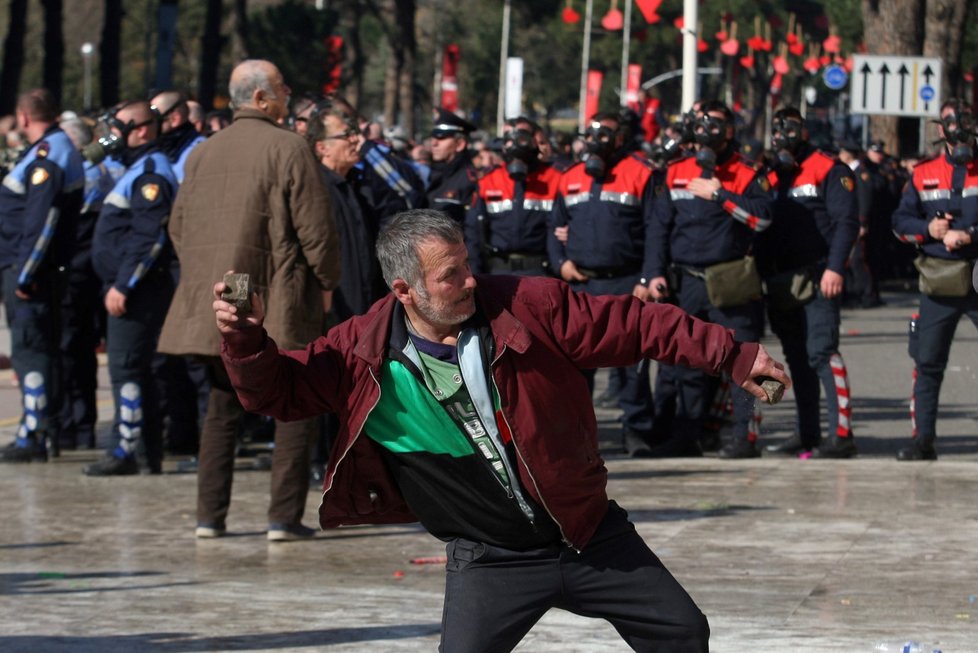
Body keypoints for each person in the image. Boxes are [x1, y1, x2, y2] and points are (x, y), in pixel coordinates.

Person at [213, 208, 790, 652]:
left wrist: (732, 357)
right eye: (449, 276)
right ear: (403, 291)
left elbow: (637, 325)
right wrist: (244, 340)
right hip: (490, 559)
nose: (468, 281)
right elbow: (279, 394)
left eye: (466, 264)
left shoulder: (527, 305)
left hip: (589, 534)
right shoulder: (360, 352)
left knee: (683, 632)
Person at [156, 59, 340, 540]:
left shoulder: (201, 153)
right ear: (261, 98)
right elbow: (316, 230)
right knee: (295, 403)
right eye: (282, 87)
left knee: (221, 406)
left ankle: (208, 518)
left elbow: (177, 226)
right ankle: (282, 517)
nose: (288, 92)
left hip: (218, 297)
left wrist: (204, 274)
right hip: (280, 292)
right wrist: (326, 283)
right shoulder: (290, 147)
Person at [647, 100, 773, 459]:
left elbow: (761, 220)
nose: (708, 130)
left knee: (743, 360)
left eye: (716, 124)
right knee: (686, 360)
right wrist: (654, 272)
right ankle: (688, 435)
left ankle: (744, 437)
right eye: (703, 123)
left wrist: (720, 195)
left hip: (731, 278)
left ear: (730, 131)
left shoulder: (748, 172)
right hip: (685, 280)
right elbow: (659, 227)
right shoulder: (675, 171)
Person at [548, 111, 658, 457]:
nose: (598, 140)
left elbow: (656, 230)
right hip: (581, 286)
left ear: (621, 138)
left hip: (627, 283)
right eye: (593, 132)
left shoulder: (641, 172)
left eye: (606, 133)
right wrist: (561, 263)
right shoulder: (570, 177)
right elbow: (555, 228)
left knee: (631, 365)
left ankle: (637, 432)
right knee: (578, 366)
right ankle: (581, 438)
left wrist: (646, 277)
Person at [755, 108, 860, 459]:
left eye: (791, 128)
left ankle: (841, 434)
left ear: (804, 131)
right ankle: (807, 432)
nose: (783, 134)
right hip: (781, 279)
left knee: (821, 353)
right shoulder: (769, 174)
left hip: (818, 275)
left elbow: (846, 222)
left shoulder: (829, 168)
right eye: (778, 128)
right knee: (797, 359)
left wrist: (836, 268)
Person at [82, 100, 178, 476]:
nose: (111, 136)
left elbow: (149, 235)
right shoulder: (136, 168)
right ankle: (144, 451)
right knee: (137, 369)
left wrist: (124, 284)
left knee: (125, 368)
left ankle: (125, 449)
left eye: (119, 128)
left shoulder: (151, 172)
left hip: (136, 292)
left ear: (140, 130)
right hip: (130, 288)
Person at [891, 99, 978, 461]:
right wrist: (928, 229)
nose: (956, 128)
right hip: (940, 280)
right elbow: (899, 222)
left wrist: (971, 234)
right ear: (939, 129)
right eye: (949, 122)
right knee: (927, 362)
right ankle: (923, 439)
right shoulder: (923, 172)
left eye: (964, 120)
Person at [0, 89, 83, 463]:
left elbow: (41, 221)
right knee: (41, 350)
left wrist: (25, 273)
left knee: (30, 351)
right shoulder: (54, 148)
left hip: (31, 272)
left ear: (23, 116)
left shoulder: (47, 156)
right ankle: (46, 428)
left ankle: (32, 434)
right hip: (39, 269)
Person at [58, 116, 112, 451]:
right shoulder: (106, 172)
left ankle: (72, 426)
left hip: (75, 276)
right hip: (96, 276)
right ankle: (83, 425)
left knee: (69, 352)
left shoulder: (83, 176)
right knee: (83, 354)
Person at [465, 116, 561, 276]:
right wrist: (474, 273)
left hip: (541, 271)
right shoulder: (488, 180)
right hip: (497, 271)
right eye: (508, 138)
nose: (514, 143)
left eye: (521, 137)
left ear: (534, 141)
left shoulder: (555, 177)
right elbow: (473, 233)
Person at [425, 107, 479, 224]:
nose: (434, 143)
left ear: (460, 144)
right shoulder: (435, 174)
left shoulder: (469, 180)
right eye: (433, 137)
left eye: (441, 138)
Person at [150, 90, 206, 183]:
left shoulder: (200, 152)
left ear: (175, 119)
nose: (151, 127)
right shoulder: (155, 149)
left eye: (156, 120)